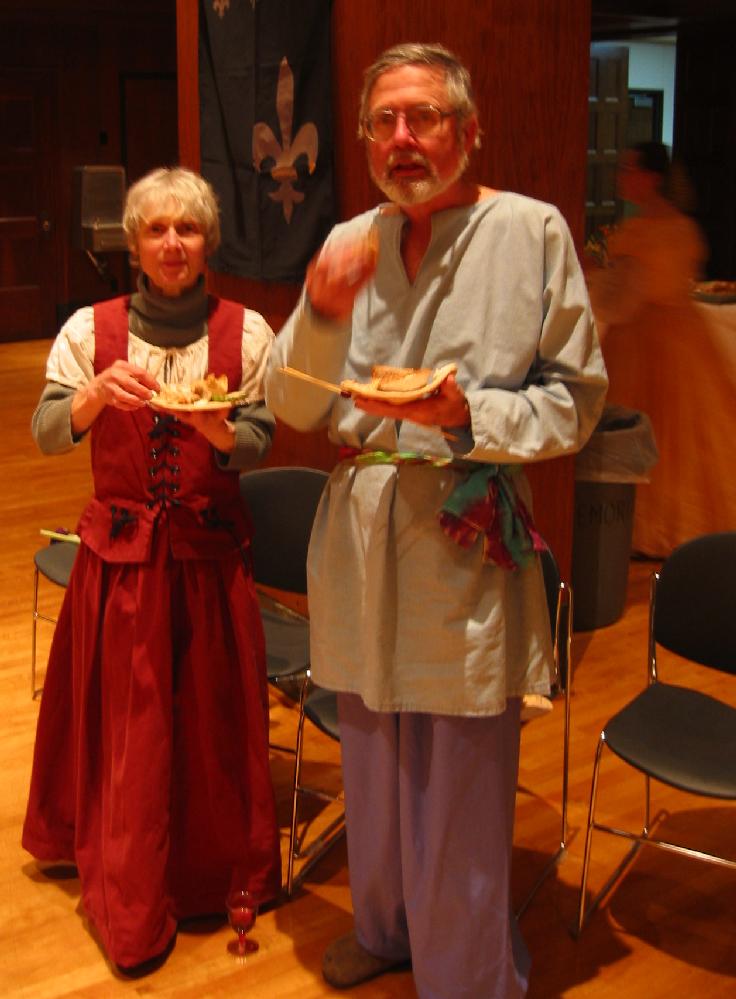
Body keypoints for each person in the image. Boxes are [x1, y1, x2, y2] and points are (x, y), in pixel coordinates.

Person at [265, 42, 607, 998]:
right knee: (371, 746)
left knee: (457, 766)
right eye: (384, 121)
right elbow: (292, 402)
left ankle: (466, 972)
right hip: (361, 524)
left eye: (424, 117)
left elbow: (576, 400)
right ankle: (384, 926)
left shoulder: (530, 231)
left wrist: (469, 414)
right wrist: (320, 311)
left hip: (464, 524)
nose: (402, 138)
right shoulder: (350, 241)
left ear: (469, 129)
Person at [22, 167, 281, 971]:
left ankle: (207, 875)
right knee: (132, 731)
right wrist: (96, 395)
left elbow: (262, 439)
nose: (173, 243)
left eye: (188, 228)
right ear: (133, 245)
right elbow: (46, 432)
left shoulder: (247, 332)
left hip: (208, 562)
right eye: (157, 229)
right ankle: (130, 894)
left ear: (209, 242)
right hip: (122, 566)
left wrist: (219, 430)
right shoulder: (88, 330)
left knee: (207, 728)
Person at [586, 142, 736, 557]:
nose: (621, 176)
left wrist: (589, 276)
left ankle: (652, 525)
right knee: (683, 435)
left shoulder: (642, 232)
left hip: (646, 339)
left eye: (628, 169)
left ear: (651, 177)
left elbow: (621, 299)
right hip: (684, 334)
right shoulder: (681, 226)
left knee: (662, 431)